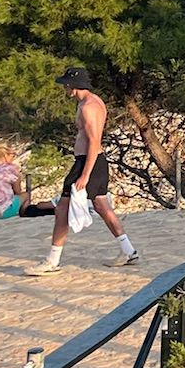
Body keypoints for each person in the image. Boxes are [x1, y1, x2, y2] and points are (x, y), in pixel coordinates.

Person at [35, 67, 140, 272]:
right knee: (102, 206)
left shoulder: (88, 107)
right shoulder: (92, 101)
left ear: (72, 85)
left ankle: (52, 260)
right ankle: (128, 251)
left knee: (62, 209)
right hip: (96, 162)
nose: (64, 88)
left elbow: (93, 142)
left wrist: (84, 174)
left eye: (66, 84)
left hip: (87, 162)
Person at [0, 142, 28, 221]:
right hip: (3, 212)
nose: (13, 158)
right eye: (13, 155)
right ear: (5, 155)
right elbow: (18, 191)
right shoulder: (10, 168)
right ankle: (24, 214)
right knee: (25, 195)